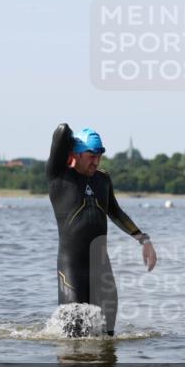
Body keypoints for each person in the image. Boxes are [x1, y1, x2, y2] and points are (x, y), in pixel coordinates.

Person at [46, 123, 157, 336]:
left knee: (107, 334)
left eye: (99, 155)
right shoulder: (59, 178)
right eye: (90, 155)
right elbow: (61, 131)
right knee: (73, 335)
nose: (96, 161)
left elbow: (115, 212)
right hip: (72, 267)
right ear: (76, 155)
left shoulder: (102, 180)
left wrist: (144, 239)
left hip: (100, 266)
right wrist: (73, 142)